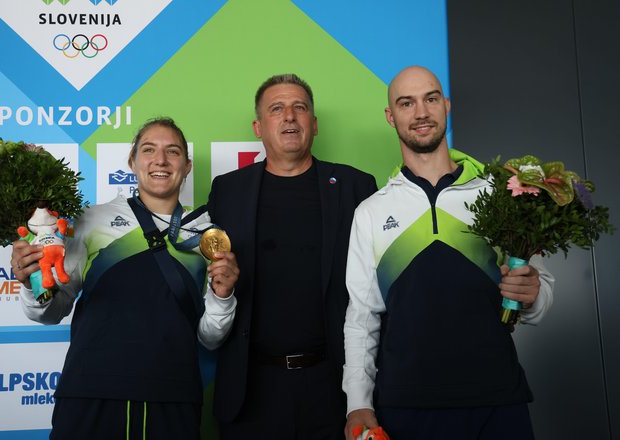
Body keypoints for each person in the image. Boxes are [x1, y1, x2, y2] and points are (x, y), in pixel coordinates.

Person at [343, 66, 555, 439]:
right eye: (406, 103)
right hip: (406, 404)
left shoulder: (499, 193)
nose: (421, 112)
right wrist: (358, 402)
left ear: (447, 105)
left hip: (498, 398)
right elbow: (362, 318)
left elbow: (539, 288)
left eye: (431, 98)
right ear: (391, 117)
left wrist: (535, 294)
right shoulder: (371, 212)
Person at [10, 117, 239, 440]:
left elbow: (210, 337)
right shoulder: (90, 220)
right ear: (131, 162)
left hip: (173, 396)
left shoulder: (205, 232)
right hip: (91, 390)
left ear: (186, 167)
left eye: (172, 152)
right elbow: (51, 311)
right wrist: (32, 283)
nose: (160, 160)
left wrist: (223, 295)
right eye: (149, 150)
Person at [206, 74, 378, 439]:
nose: (289, 116)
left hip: (332, 387)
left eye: (300, 107)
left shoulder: (356, 187)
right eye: (277, 109)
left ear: (314, 125)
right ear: (258, 127)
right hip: (251, 390)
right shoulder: (227, 191)